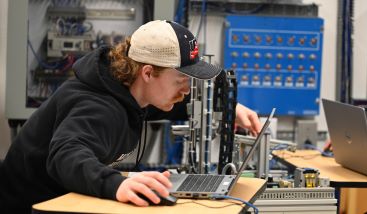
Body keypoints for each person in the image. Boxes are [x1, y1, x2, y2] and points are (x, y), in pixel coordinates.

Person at [0, 20, 261, 213]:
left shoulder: (130, 90)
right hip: (26, 208)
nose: (185, 90)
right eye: (181, 80)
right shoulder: (98, 107)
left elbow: (167, 103)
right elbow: (66, 154)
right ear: (147, 73)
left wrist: (226, 108)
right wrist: (115, 184)